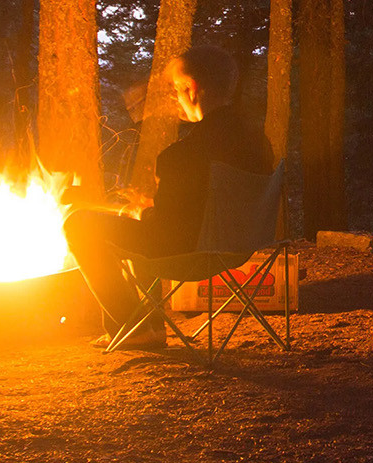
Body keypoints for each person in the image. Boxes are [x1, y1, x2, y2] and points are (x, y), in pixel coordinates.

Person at [64, 44, 274, 346]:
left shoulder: (181, 155)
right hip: (241, 247)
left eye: (176, 89)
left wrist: (140, 211)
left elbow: (164, 230)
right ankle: (151, 327)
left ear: (191, 88)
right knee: (141, 228)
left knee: (78, 223)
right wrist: (151, 209)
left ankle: (134, 328)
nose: (175, 98)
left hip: (193, 254)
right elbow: (205, 202)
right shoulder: (257, 140)